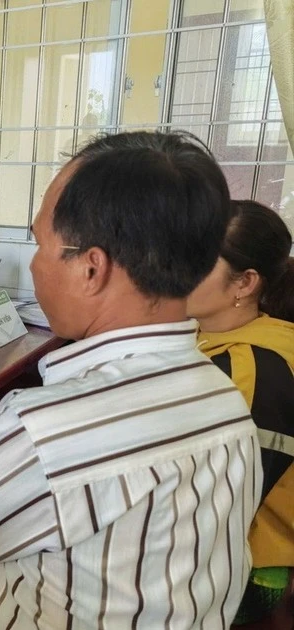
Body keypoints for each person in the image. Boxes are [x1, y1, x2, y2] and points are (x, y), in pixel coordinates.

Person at [0, 131, 260, 628]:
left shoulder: (49, 426)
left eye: (39, 244)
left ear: (92, 269)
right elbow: (85, 476)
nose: (34, 264)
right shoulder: (224, 399)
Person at [186, 200, 294, 623]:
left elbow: (223, 502)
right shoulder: (210, 336)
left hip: (247, 568)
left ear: (245, 283)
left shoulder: (249, 368)